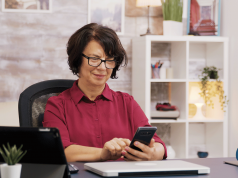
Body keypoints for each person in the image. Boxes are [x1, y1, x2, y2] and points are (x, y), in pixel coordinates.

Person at [43, 23, 167, 162]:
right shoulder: (56, 105)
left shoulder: (127, 102)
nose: (103, 67)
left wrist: (153, 153)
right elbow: (60, 151)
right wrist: (103, 153)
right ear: (78, 60)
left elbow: (158, 144)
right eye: (94, 59)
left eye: (109, 60)